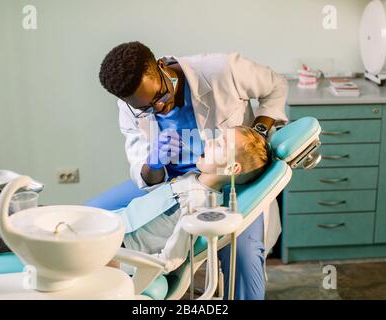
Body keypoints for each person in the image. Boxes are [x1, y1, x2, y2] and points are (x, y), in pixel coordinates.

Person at [89, 41, 288, 299]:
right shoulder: (129, 105)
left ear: (162, 67)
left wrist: (256, 133)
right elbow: (144, 173)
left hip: (225, 187)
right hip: (169, 185)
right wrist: (154, 162)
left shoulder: (222, 70)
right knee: (90, 216)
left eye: (160, 96)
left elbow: (276, 86)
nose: (159, 108)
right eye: (146, 108)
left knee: (243, 255)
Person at [112, 126, 269, 279]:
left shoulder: (198, 204)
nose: (209, 141)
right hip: (117, 227)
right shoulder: (192, 178)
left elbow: (171, 259)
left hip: (122, 250)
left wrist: (120, 265)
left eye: (220, 143)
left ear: (231, 169)